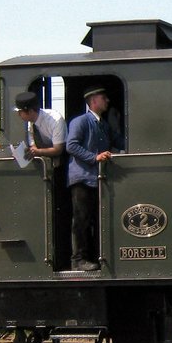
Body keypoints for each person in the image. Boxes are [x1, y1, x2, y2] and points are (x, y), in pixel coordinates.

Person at [66, 87, 123, 271]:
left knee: (96, 220)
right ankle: (78, 260)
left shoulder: (104, 125)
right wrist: (94, 157)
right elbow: (71, 145)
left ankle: (96, 257)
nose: (107, 100)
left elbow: (119, 141)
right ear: (93, 101)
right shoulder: (80, 121)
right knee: (81, 220)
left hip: (97, 178)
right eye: (103, 97)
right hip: (82, 178)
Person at [14, 91, 67, 162]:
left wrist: (38, 152)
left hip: (63, 161)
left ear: (30, 111)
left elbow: (58, 149)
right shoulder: (30, 123)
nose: (18, 115)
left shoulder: (55, 120)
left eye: (20, 112)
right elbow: (33, 145)